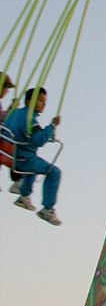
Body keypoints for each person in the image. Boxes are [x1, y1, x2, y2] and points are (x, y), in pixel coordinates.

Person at [3, 87, 62, 225]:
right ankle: (47, 209)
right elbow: (38, 141)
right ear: (29, 102)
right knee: (54, 172)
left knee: (35, 163)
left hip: (9, 155)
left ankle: (24, 196)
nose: (44, 104)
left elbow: (29, 134)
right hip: (22, 159)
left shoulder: (16, 113)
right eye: (40, 100)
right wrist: (52, 126)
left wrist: (45, 133)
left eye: (44, 101)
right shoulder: (30, 119)